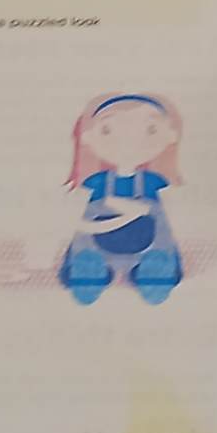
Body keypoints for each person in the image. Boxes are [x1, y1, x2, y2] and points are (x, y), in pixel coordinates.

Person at [59, 92, 185, 305]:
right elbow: (77, 213)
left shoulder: (152, 182)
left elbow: (163, 213)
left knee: (158, 255)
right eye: (107, 130)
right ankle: (88, 269)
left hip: (147, 239)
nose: (129, 140)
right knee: (87, 256)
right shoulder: (97, 182)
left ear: (170, 135)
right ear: (88, 137)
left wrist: (132, 210)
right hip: (98, 238)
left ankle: (155, 270)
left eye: (150, 129)